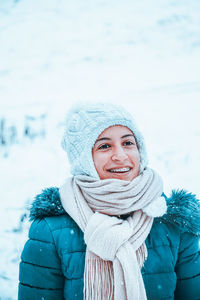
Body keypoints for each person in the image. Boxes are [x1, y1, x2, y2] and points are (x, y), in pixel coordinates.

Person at [18, 102, 200, 300]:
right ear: (83, 160)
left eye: (128, 143)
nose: (120, 156)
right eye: (104, 146)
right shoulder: (51, 231)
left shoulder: (173, 222)